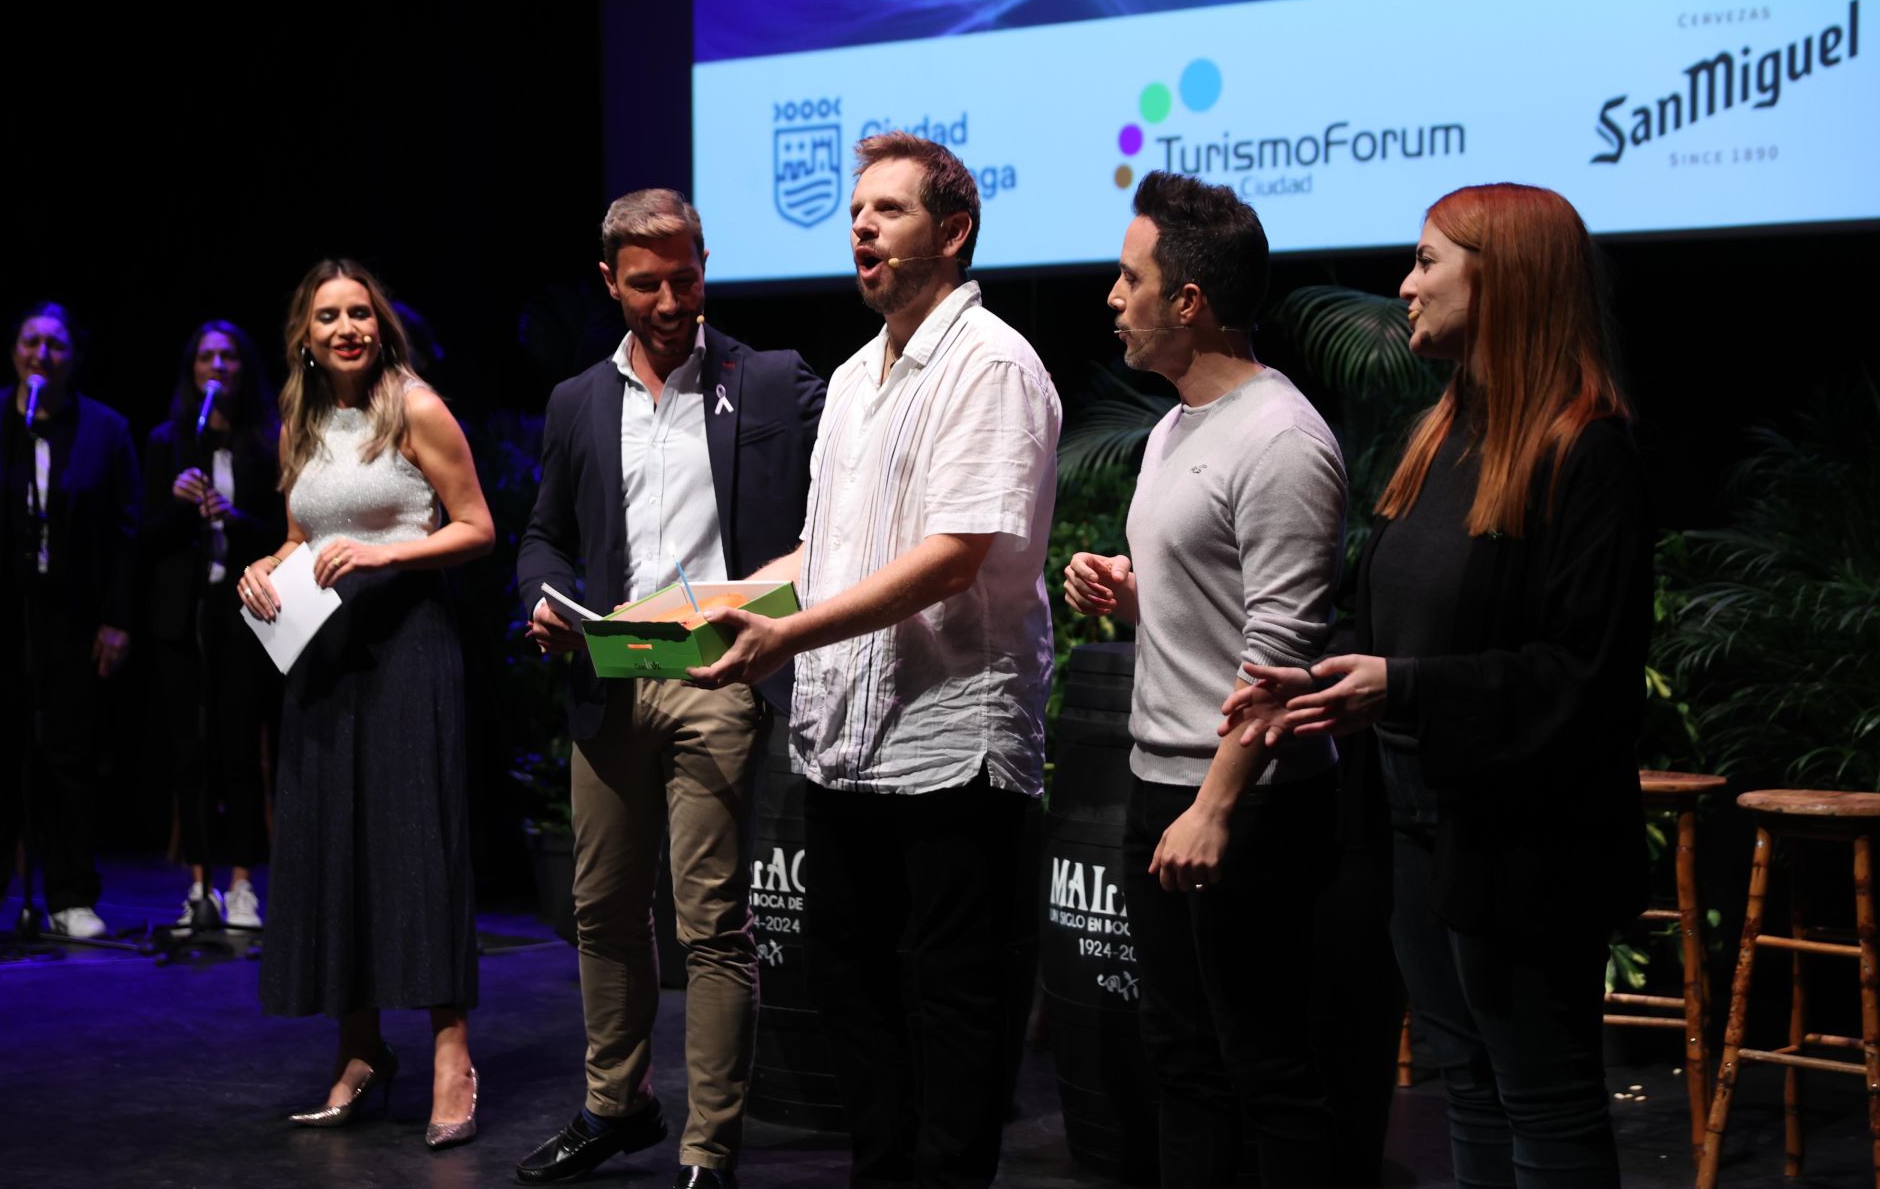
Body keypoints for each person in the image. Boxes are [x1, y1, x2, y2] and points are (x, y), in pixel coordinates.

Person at [1225, 183, 1651, 1187]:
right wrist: (1320, 678)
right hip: (1415, 818)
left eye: (1427, 262)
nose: (1404, 285)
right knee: (1465, 1087)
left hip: (1522, 835)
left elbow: (1581, 673)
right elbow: (1400, 630)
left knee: (1542, 1102)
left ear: (1501, 280)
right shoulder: (1443, 434)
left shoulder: (1588, 448)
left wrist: (1403, 686)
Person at [691, 131, 1062, 1189]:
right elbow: (830, 550)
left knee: (948, 1000)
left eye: (888, 210)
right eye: (856, 209)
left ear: (952, 233)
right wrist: (706, 606)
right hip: (845, 744)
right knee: (851, 987)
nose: (860, 224)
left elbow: (954, 557)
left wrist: (787, 636)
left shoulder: (993, 365)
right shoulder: (853, 377)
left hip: (948, 741)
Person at [514, 189, 824, 1189]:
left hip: (715, 671)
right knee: (601, 907)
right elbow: (543, 532)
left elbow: (845, 498)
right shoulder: (576, 401)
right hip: (610, 674)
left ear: (704, 266)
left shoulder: (770, 382)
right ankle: (619, 1103)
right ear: (610, 282)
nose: (669, 299)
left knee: (712, 921)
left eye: (684, 277)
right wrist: (543, 600)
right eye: (645, 282)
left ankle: (709, 1149)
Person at [1063, 171, 1348, 1187]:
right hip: (1162, 783)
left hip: (1248, 802)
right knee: (1183, 1060)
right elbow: (1215, 612)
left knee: (1265, 1067)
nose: (1111, 296)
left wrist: (1218, 807)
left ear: (1187, 301)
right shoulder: (1174, 427)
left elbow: (1278, 659)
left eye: (1128, 277)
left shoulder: (1283, 441)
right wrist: (1131, 593)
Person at [240, 259, 493, 1150]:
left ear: (380, 326)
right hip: (325, 654)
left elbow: (475, 525)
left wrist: (385, 554)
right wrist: (268, 565)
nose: (345, 327)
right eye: (327, 317)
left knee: (416, 845)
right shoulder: (298, 423)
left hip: (409, 647)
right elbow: (303, 534)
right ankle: (359, 1051)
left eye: (360, 314)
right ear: (304, 337)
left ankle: (451, 1054)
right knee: (334, 845)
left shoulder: (415, 407)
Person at [0, 302, 140, 944]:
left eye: (56, 346)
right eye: (32, 342)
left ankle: (69, 895)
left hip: (71, 616)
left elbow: (126, 535)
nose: (42, 354)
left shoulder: (105, 428)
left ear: (73, 357)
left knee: (69, 758)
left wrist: (117, 619)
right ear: (14, 350)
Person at [139, 319, 283, 930]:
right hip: (185, 615)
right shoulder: (167, 442)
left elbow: (286, 533)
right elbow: (141, 539)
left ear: (242, 369)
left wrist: (235, 516)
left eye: (227, 357)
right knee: (188, 750)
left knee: (239, 751)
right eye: (206, 358)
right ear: (191, 370)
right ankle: (198, 887)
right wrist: (176, 507)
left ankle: (243, 883)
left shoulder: (265, 441)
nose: (216, 367)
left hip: (248, 612)